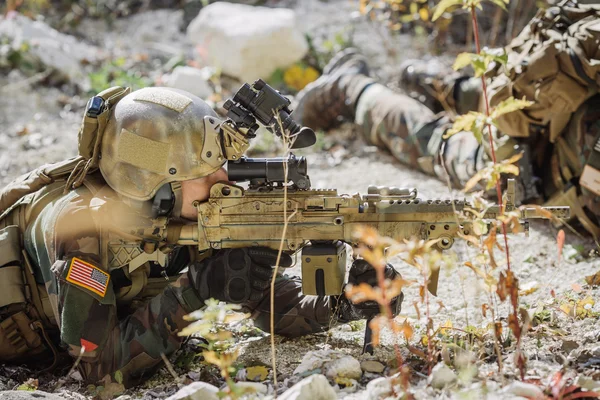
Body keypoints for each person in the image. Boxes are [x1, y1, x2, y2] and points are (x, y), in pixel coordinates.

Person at [0, 86, 402, 387]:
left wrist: (349, 303)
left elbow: (266, 303)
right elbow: (93, 373)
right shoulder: (81, 230)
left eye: (222, 166)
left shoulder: (185, 215)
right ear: (158, 186)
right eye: (205, 173)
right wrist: (194, 292)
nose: (224, 180)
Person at [292, 2, 600, 239]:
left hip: (552, 115)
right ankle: (353, 91)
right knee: (439, 144)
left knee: (503, 102)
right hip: (529, 154)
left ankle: (448, 87)